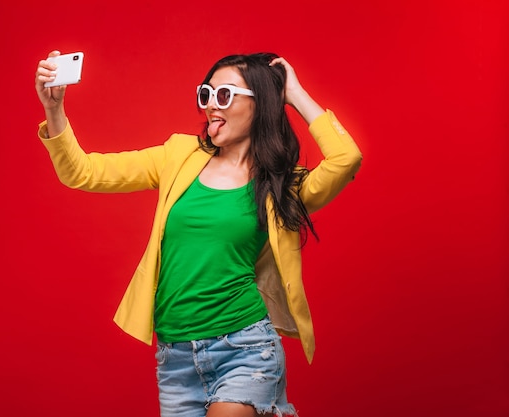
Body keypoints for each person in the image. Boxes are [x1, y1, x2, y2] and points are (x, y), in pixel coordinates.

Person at [35, 50, 362, 417]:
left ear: (260, 105)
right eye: (206, 94)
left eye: (225, 95)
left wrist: (294, 93)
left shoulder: (280, 185)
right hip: (175, 359)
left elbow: (345, 159)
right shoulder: (177, 155)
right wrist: (54, 110)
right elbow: (83, 172)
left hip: (244, 347)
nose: (210, 107)